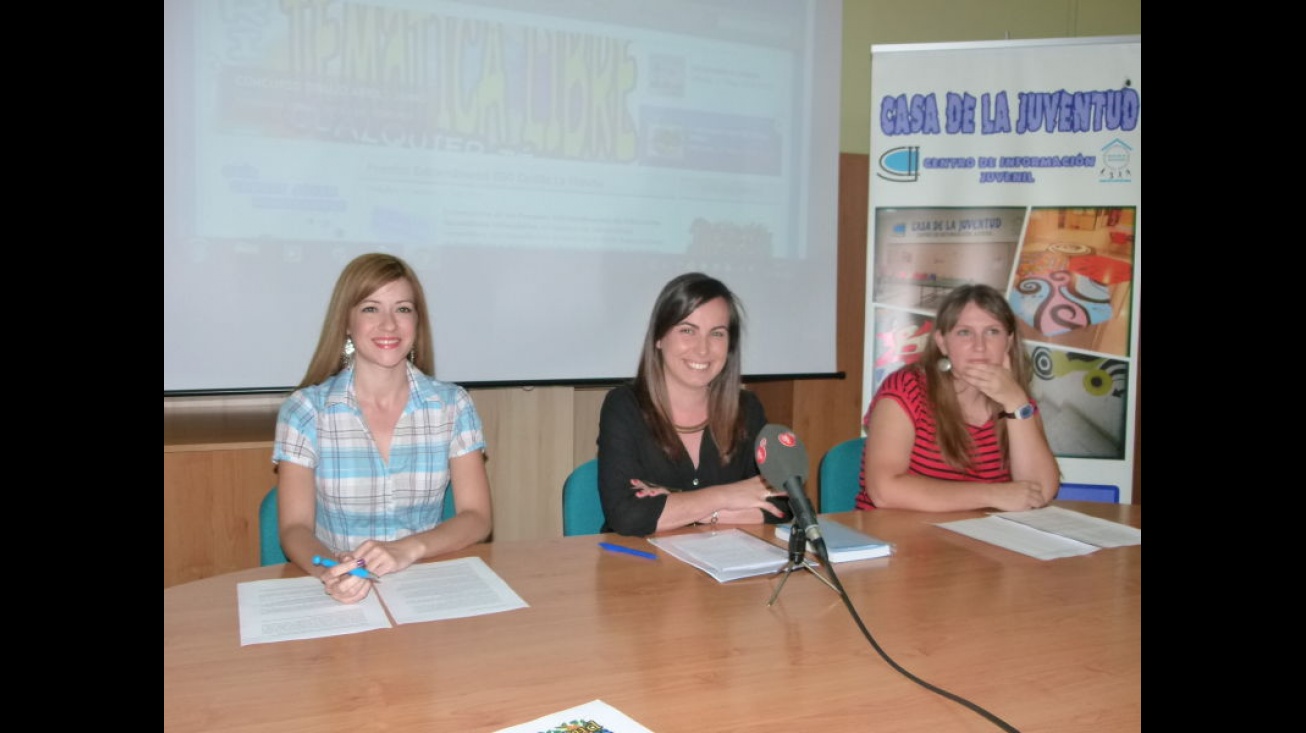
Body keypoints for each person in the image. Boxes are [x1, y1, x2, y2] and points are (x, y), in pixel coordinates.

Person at [273, 253, 492, 603]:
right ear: (346, 321)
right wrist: (331, 570)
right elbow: (294, 528)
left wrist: (408, 549)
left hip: (426, 586)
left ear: (417, 322)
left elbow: (477, 518)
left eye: (403, 309)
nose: (389, 325)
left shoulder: (453, 405)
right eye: (371, 309)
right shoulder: (305, 411)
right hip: (340, 591)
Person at [597, 272, 792, 536]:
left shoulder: (747, 408)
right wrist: (728, 496)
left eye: (717, 334)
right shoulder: (624, 407)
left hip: (727, 568)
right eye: (687, 330)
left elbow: (783, 505)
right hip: (643, 568)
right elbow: (628, 516)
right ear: (659, 337)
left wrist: (687, 508)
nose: (702, 350)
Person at [859, 283, 1060, 512]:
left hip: (975, 539)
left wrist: (1016, 404)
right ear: (943, 343)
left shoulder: (1015, 398)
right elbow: (884, 492)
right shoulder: (906, 388)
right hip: (897, 536)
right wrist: (991, 494)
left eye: (992, 331)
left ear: (1009, 342)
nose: (979, 346)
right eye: (964, 332)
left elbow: (1040, 491)